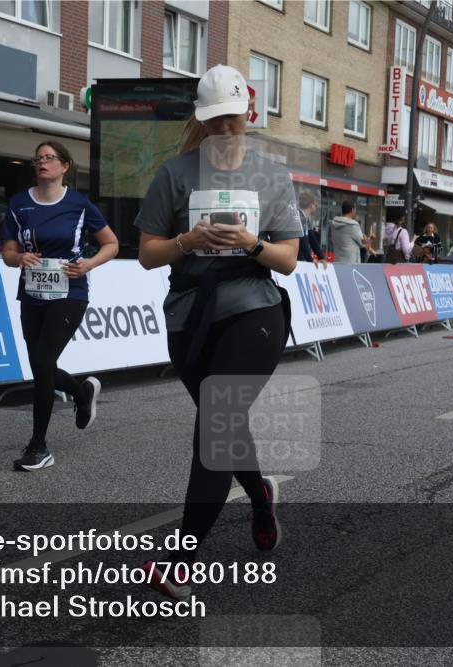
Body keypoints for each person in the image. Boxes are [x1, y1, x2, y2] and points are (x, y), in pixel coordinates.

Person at [133, 64, 302, 600]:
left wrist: (250, 244)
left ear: (248, 115)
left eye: (232, 119)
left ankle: (181, 560)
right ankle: (260, 497)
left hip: (254, 309)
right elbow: (145, 255)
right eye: (214, 121)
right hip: (190, 314)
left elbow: (289, 261)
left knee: (216, 423)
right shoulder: (174, 173)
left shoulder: (274, 176)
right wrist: (187, 240)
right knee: (223, 427)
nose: (225, 129)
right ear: (201, 120)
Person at [2, 141, 118, 471]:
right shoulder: (19, 203)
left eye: (50, 158)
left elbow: (111, 243)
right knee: (41, 366)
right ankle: (81, 393)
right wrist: (18, 257)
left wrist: (89, 264)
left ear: (64, 166)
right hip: (32, 293)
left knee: (42, 361)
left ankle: (38, 446)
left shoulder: (79, 205)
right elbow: (8, 253)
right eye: (38, 158)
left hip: (70, 291)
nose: (43, 163)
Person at [296, 190, 325, 265]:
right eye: (315, 204)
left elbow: (312, 239)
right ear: (311, 205)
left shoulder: (305, 219)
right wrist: (310, 259)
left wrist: (321, 257)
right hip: (296, 261)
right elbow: (302, 239)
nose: (316, 207)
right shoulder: (299, 217)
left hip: (300, 260)